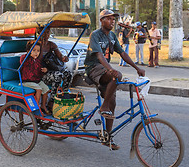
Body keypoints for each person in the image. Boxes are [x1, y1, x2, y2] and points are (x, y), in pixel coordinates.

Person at [84, 9, 145, 150]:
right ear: (101, 21)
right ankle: (103, 106)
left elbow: (122, 53)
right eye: (109, 19)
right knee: (116, 75)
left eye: (113, 19)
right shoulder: (95, 35)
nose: (112, 21)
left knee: (113, 103)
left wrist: (137, 68)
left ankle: (107, 137)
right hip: (93, 68)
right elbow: (99, 55)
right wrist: (110, 69)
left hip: (105, 70)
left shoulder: (112, 35)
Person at [37, 26, 72, 111]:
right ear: (39, 33)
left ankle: (64, 95)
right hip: (40, 73)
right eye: (44, 32)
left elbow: (60, 56)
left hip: (51, 71)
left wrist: (64, 58)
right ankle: (52, 101)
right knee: (58, 75)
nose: (46, 34)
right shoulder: (36, 45)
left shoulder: (51, 45)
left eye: (48, 32)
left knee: (68, 74)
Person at [20, 40, 50, 115]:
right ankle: (36, 108)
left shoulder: (37, 61)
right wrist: (28, 54)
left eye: (38, 51)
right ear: (28, 51)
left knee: (46, 89)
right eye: (34, 50)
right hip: (26, 81)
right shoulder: (25, 58)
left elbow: (39, 71)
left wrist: (45, 70)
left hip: (36, 80)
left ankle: (43, 106)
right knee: (39, 89)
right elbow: (22, 62)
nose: (36, 53)